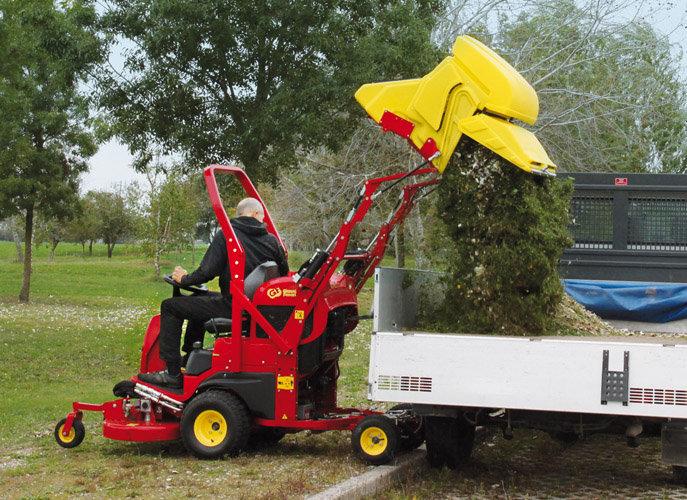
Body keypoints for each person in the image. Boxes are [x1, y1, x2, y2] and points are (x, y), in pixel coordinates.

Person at [138, 197, 289, 388]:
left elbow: (207, 272)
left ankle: (172, 373)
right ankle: (190, 357)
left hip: (234, 306)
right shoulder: (272, 241)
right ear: (257, 214)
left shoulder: (228, 236)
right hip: (256, 309)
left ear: (240, 214)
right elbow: (283, 273)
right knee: (200, 298)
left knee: (170, 306)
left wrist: (184, 279)